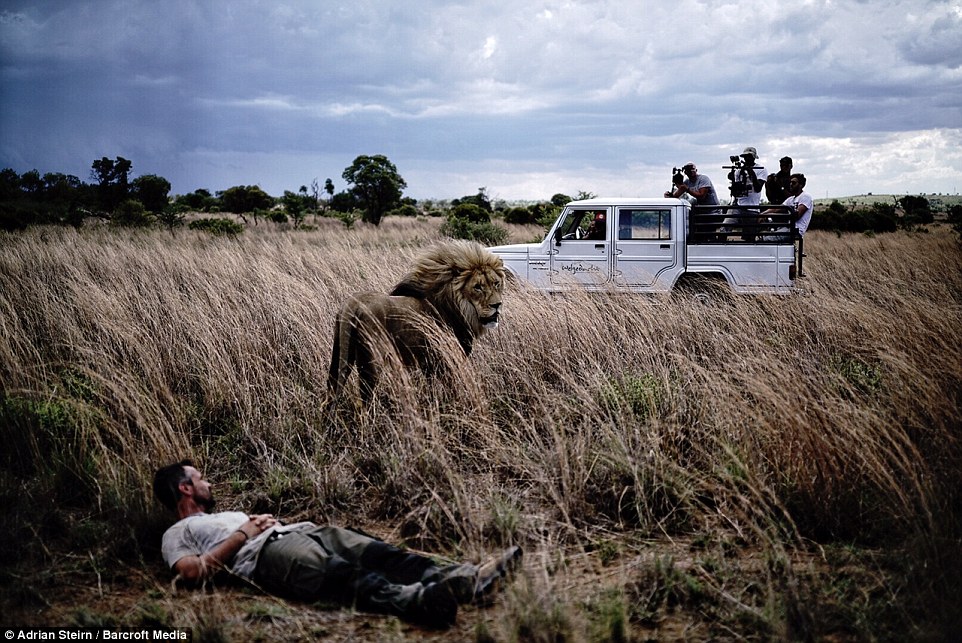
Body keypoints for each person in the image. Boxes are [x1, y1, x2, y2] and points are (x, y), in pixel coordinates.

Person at [153, 460, 523, 630]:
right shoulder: (177, 533)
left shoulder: (221, 512)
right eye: (201, 479)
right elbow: (190, 572)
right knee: (344, 576)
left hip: (298, 532)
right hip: (267, 555)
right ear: (185, 488)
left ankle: (467, 579)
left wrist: (266, 524)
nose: (209, 484)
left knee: (381, 552)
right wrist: (244, 534)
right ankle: (419, 602)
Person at [719, 146, 769, 239]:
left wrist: (752, 174)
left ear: (754, 157)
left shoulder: (761, 169)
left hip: (752, 208)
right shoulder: (739, 170)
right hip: (738, 205)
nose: (747, 159)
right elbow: (736, 189)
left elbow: (758, 188)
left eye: (749, 156)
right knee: (725, 228)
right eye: (745, 157)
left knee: (749, 236)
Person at [664, 162, 721, 240]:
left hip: (713, 212)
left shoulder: (703, 179)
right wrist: (671, 194)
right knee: (694, 228)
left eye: (692, 170)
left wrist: (687, 189)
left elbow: (702, 196)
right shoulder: (687, 182)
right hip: (702, 213)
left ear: (696, 170)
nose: (691, 172)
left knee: (706, 232)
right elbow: (677, 194)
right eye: (688, 170)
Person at [761, 173, 814, 240]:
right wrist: (762, 214)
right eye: (790, 182)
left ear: (801, 185)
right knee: (763, 234)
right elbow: (776, 209)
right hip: (788, 228)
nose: (791, 185)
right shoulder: (791, 199)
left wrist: (770, 215)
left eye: (794, 183)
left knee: (767, 239)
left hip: (795, 230)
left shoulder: (805, 196)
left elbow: (797, 216)